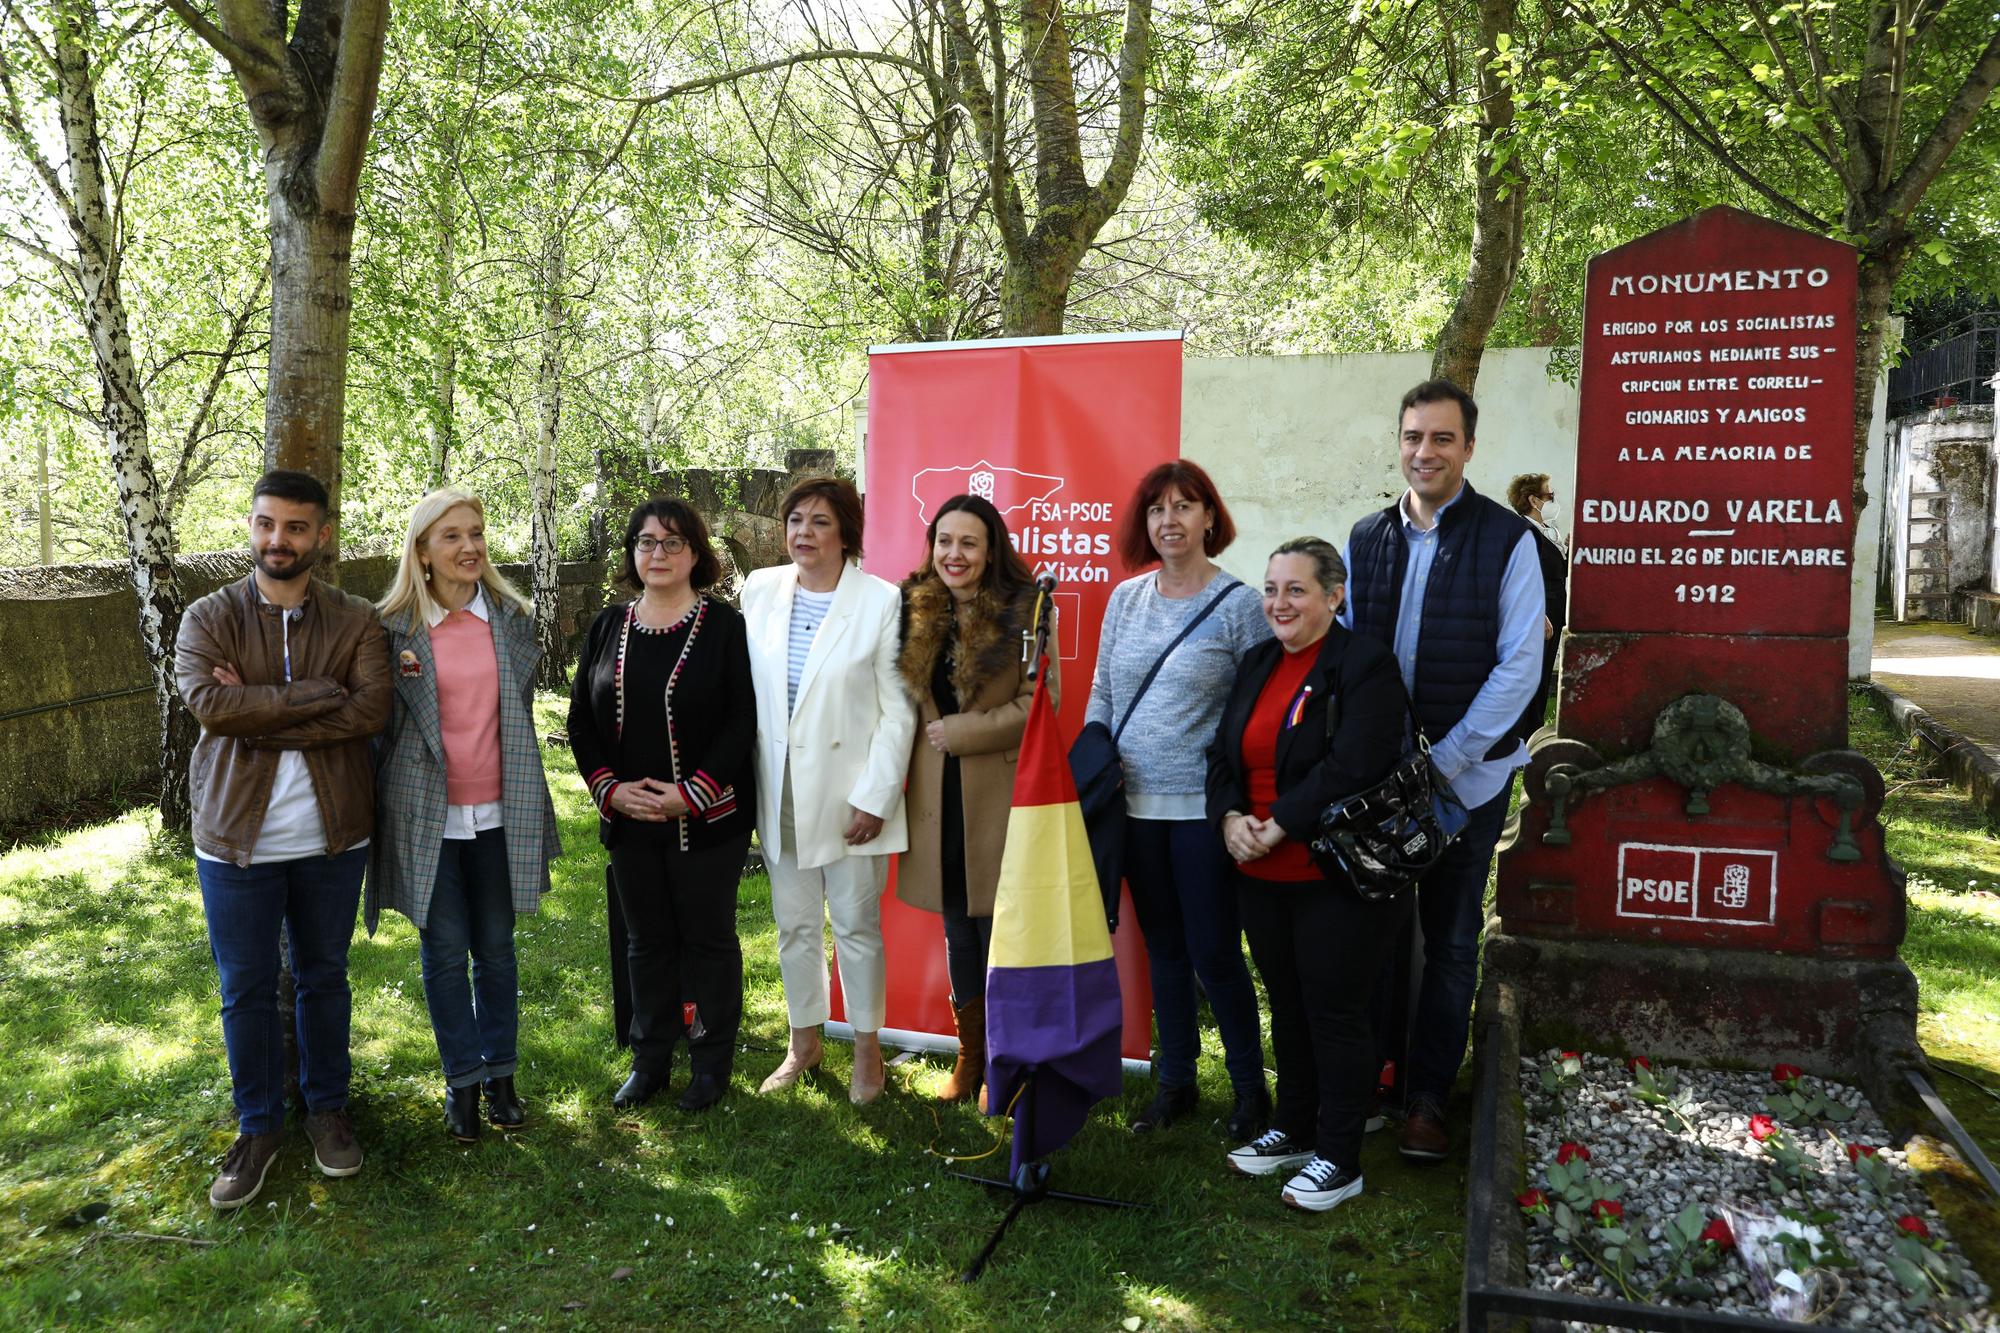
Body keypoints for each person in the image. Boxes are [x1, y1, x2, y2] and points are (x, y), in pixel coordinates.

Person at [175, 469, 390, 1210]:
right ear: (251, 525)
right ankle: (259, 1125)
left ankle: (327, 1107)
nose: (279, 540)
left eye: (296, 527)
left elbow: (369, 711)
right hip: (235, 838)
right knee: (246, 988)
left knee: (323, 975)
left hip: (332, 835)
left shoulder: (357, 619)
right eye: (268, 524)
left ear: (321, 535)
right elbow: (207, 701)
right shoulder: (208, 616)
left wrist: (255, 711)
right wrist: (312, 694)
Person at [1343, 380, 1544, 1162]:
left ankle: (1428, 1096)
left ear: (1468, 447)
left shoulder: (1507, 540)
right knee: (1381, 934)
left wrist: (1447, 760)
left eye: (1441, 439)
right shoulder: (1366, 538)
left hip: (1470, 781)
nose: (1424, 452)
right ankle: (1379, 1075)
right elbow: (1355, 655)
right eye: (1412, 436)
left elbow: (1521, 665)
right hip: (1387, 782)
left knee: (1453, 937)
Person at [1207, 538, 1410, 1212]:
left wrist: (1282, 821)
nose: (1278, 602)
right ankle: (1293, 1128)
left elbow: (1356, 760)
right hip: (1261, 872)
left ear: (1335, 594)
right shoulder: (1259, 660)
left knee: (1335, 1013)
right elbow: (1223, 753)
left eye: (1295, 589)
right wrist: (1231, 815)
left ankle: (1339, 1155)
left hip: (1333, 873)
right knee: (1286, 1005)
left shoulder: (1365, 664)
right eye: (1271, 588)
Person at [368, 489, 560, 1142]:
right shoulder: (392, 628)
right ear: (422, 551)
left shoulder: (510, 617)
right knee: (445, 952)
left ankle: (503, 1075)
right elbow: (381, 730)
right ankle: (463, 1083)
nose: (470, 546)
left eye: (476, 532)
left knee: (498, 949)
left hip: (501, 813)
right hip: (429, 819)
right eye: (451, 535)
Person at [1090, 460, 1272, 1139]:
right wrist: (1094, 757)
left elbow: (1255, 714)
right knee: (1162, 948)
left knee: (1215, 952)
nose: (1170, 519)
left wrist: (1241, 807)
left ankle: (1252, 1092)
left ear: (1209, 518)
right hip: (1133, 809)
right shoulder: (1125, 599)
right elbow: (1105, 693)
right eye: (1157, 508)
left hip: (1202, 812)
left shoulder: (1241, 606)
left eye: (1184, 505)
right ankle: (1177, 1083)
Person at [568, 498, 757, 1114]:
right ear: (632, 554)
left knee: (706, 941)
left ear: (697, 554)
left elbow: (740, 722)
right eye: (646, 542)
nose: (658, 554)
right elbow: (579, 721)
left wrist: (690, 794)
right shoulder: (607, 626)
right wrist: (610, 789)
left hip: (707, 821)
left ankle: (709, 1063)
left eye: (673, 543)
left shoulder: (725, 626)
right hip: (629, 820)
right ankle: (649, 1060)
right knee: (645, 941)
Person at [742, 478, 916, 1106]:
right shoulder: (759, 590)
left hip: (850, 801)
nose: (803, 533)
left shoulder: (883, 601)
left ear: (846, 533)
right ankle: (804, 1043)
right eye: (794, 520)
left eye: (819, 522)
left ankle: (868, 1053)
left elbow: (900, 713)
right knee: (793, 926)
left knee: (856, 926)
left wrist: (876, 797)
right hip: (780, 790)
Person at [895, 493, 1056, 1104]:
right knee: (959, 927)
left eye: (968, 543)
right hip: (937, 797)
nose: (953, 554)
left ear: (991, 551)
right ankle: (973, 1056)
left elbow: (1044, 703)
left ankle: (1012, 1060)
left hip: (999, 795)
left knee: (1001, 930)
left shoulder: (1028, 608)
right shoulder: (912, 608)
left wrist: (965, 732)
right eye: (944, 541)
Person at [1507, 472, 1569, 728]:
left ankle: (1534, 727)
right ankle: (1523, 732)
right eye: (1549, 493)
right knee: (1532, 673)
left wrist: (1566, 553)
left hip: (1554, 606)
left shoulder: (1547, 530)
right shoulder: (1524, 532)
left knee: (1543, 672)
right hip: (1540, 608)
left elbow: (1555, 569)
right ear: (1533, 500)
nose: (1554, 497)